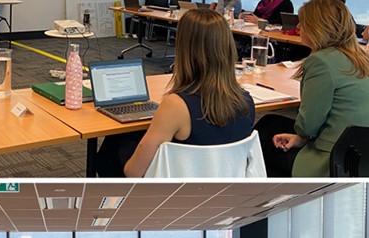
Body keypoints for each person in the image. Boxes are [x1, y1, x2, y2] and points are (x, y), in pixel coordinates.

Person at [98, 9, 254, 177]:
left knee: (115, 143)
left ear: (184, 48)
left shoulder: (177, 105)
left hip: (173, 193)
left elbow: (133, 172)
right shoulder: (247, 101)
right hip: (221, 192)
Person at [257, 0, 369, 177]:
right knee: (269, 123)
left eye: (303, 22)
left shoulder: (320, 61)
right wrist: (301, 137)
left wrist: (302, 136)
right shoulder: (362, 58)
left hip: (336, 158)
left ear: (316, 28)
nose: (298, 27)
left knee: (263, 140)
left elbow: (308, 125)